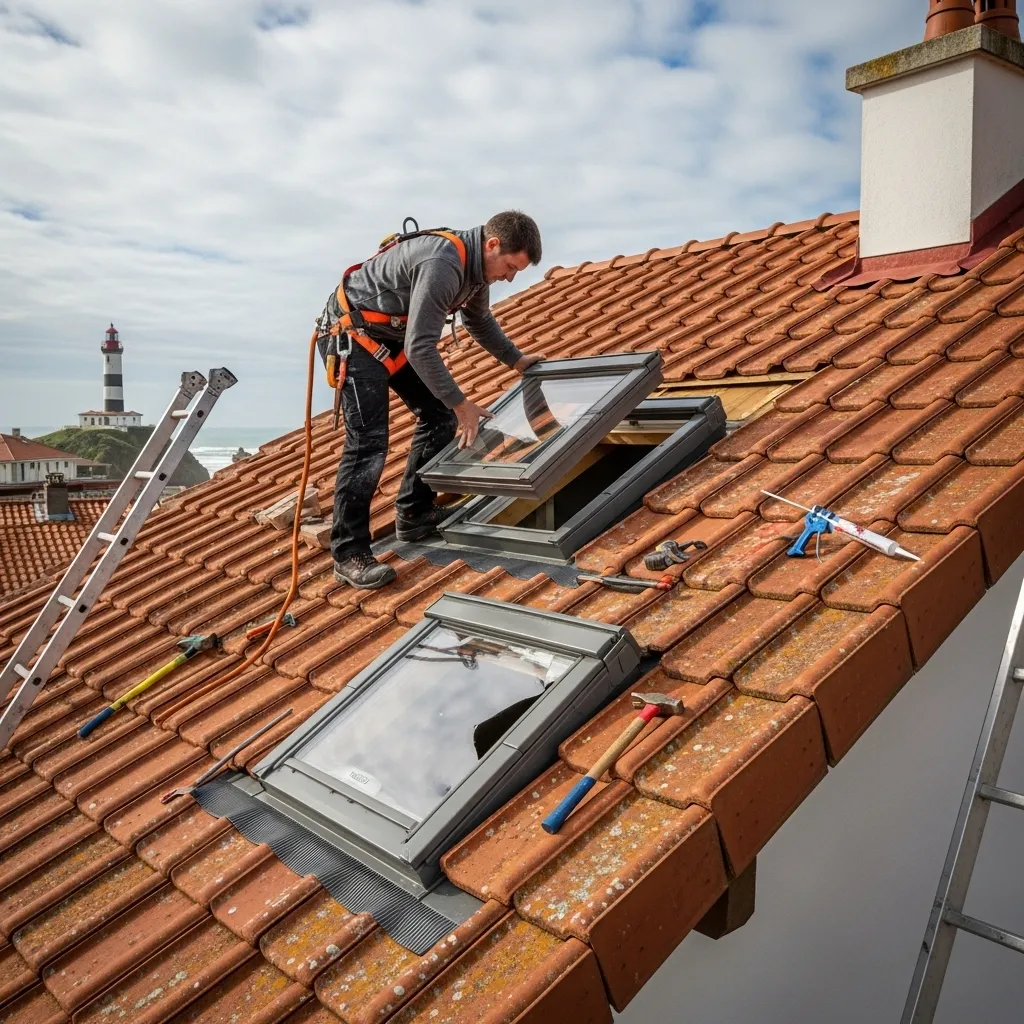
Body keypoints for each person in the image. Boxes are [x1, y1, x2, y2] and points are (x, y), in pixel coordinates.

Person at [318, 210, 544, 589]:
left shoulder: (475, 272)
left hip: (391, 337)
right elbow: (421, 346)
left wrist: (517, 360)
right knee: (369, 442)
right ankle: (349, 553)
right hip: (352, 336)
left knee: (439, 416)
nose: (509, 277)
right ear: (492, 244)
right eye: (509, 266)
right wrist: (463, 403)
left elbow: (479, 321)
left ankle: (414, 513)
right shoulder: (443, 262)